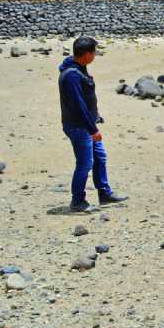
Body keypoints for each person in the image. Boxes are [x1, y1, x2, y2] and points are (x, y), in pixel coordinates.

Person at [59, 36, 128, 212]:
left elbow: (87, 99)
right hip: (79, 126)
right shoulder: (72, 75)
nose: (95, 55)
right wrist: (92, 128)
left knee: (100, 157)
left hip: (87, 123)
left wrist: (96, 116)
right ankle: (77, 201)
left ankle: (104, 193)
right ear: (87, 54)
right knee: (85, 163)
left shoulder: (79, 68)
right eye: (94, 52)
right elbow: (78, 105)